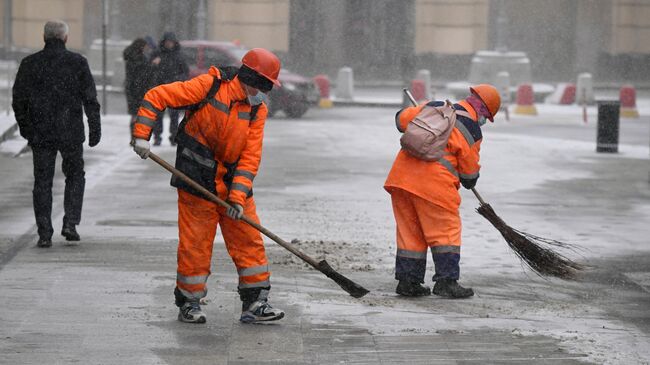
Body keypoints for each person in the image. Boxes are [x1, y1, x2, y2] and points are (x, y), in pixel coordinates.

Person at [131, 48, 285, 324]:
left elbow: (250, 155)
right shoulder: (210, 86)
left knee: (248, 240)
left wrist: (238, 198)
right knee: (195, 245)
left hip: (231, 183)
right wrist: (142, 136)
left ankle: (255, 302)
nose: (265, 92)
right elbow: (157, 96)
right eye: (264, 85)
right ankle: (189, 303)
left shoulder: (256, 109)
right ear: (251, 78)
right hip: (196, 179)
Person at [384, 84, 501, 298]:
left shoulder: (436, 106)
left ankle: (408, 282)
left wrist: (422, 113)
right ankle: (446, 282)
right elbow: (469, 174)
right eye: (487, 117)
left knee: (411, 233)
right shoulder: (471, 128)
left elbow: (400, 121)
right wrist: (470, 178)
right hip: (434, 186)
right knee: (446, 231)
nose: (485, 121)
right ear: (484, 110)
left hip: (402, 179)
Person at [12, 20, 101, 248]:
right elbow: (90, 98)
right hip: (70, 130)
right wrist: (94, 128)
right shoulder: (77, 63)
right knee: (75, 175)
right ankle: (70, 222)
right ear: (65, 38)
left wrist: (26, 128)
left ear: (44, 38)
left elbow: (19, 99)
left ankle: (44, 232)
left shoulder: (30, 63)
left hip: (41, 132)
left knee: (42, 181)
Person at [149, 31, 189, 146]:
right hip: (160, 88)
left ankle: (173, 137)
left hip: (173, 90)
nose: (169, 44)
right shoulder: (157, 53)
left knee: (174, 115)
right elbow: (149, 71)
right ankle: (157, 137)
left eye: (171, 42)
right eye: (167, 42)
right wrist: (154, 65)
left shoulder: (179, 55)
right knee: (158, 115)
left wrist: (177, 80)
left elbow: (185, 72)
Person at [123, 38, 154, 143]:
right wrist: (152, 65)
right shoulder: (139, 59)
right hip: (138, 90)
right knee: (139, 115)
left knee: (134, 115)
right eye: (145, 46)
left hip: (132, 90)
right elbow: (143, 74)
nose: (146, 48)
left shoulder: (130, 57)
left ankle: (133, 137)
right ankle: (136, 137)